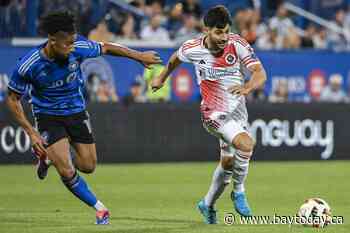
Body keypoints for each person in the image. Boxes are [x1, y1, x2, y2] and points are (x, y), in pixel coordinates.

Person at [6, 10, 161, 225]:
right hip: (47, 115)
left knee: (88, 166)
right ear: (52, 41)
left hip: (76, 112)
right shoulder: (29, 64)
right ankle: (100, 209)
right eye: (67, 43)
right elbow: (12, 99)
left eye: (73, 42)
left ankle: (50, 156)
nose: (72, 47)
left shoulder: (78, 47)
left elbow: (106, 47)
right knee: (67, 170)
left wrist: (139, 56)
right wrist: (31, 132)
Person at [151, 5, 267, 224]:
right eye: (218, 32)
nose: (223, 37)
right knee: (246, 144)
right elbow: (176, 57)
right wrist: (162, 78)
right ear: (206, 30)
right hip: (212, 113)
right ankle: (239, 191)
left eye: (226, 31)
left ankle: (207, 204)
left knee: (228, 163)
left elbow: (260, 73)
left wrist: (248, 87)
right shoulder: (193, 48)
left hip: (238, 111)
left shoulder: (238, 44)